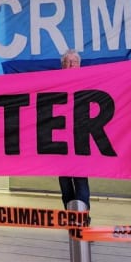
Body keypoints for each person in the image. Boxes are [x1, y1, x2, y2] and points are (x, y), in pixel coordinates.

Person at [57, 50, 90, 211]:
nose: (71, 65)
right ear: (62, 65)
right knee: (64, 182)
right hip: (59, 139)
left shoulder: (89, 80)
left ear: (80, 64)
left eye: (74, 62)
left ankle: (83, 220)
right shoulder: (53, 81)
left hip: (81, 138)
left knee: (81, 180)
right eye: (67, 62)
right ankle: (71, 216)